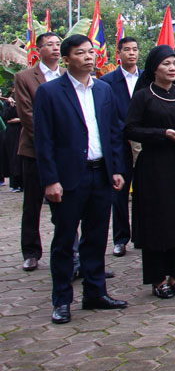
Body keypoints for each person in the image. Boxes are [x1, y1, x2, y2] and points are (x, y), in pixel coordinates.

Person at [34, 34, 127, 324]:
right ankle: (62, 300)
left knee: (97, 236)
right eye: (80, 53)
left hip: (101, 173)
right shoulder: (50, 93)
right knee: (64, 241)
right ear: (66, 59)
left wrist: (116, 169)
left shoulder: (103, 90)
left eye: (90, 52)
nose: (88, 57)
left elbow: (112, 133)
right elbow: (44, 141)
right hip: (68, 177)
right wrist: (50, 180)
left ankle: (95, 292)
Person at [125, 45, 175, 299]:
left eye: (173, 64)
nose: (171, 69)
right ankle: (158, 279)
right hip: (154, 165)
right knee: (157, 220)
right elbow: (131, 129)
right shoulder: (144, 96)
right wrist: (162, 134)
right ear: (154, 68)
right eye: (166, 64)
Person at [14, 31, 63, 272]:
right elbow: (28, 116)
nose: (55, 48)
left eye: (58, 44)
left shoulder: (67, 75)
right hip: (35, 151)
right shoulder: (25, 77)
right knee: (32, 203)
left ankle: (70, 252)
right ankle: (31, 251)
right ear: (39, 49)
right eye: (50, 45)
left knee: (67, 204)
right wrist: (50, 144)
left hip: (66, 152)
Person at [100, 36, 140, 257]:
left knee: (145, 192)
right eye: (127, 50)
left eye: (135, 50)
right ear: (119, 53)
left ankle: (143, 235)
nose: (131, 53)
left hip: (144, 144)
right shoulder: (107, 81)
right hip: (119, 144)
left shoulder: (147, 78)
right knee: (120, 193)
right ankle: (120, 238)